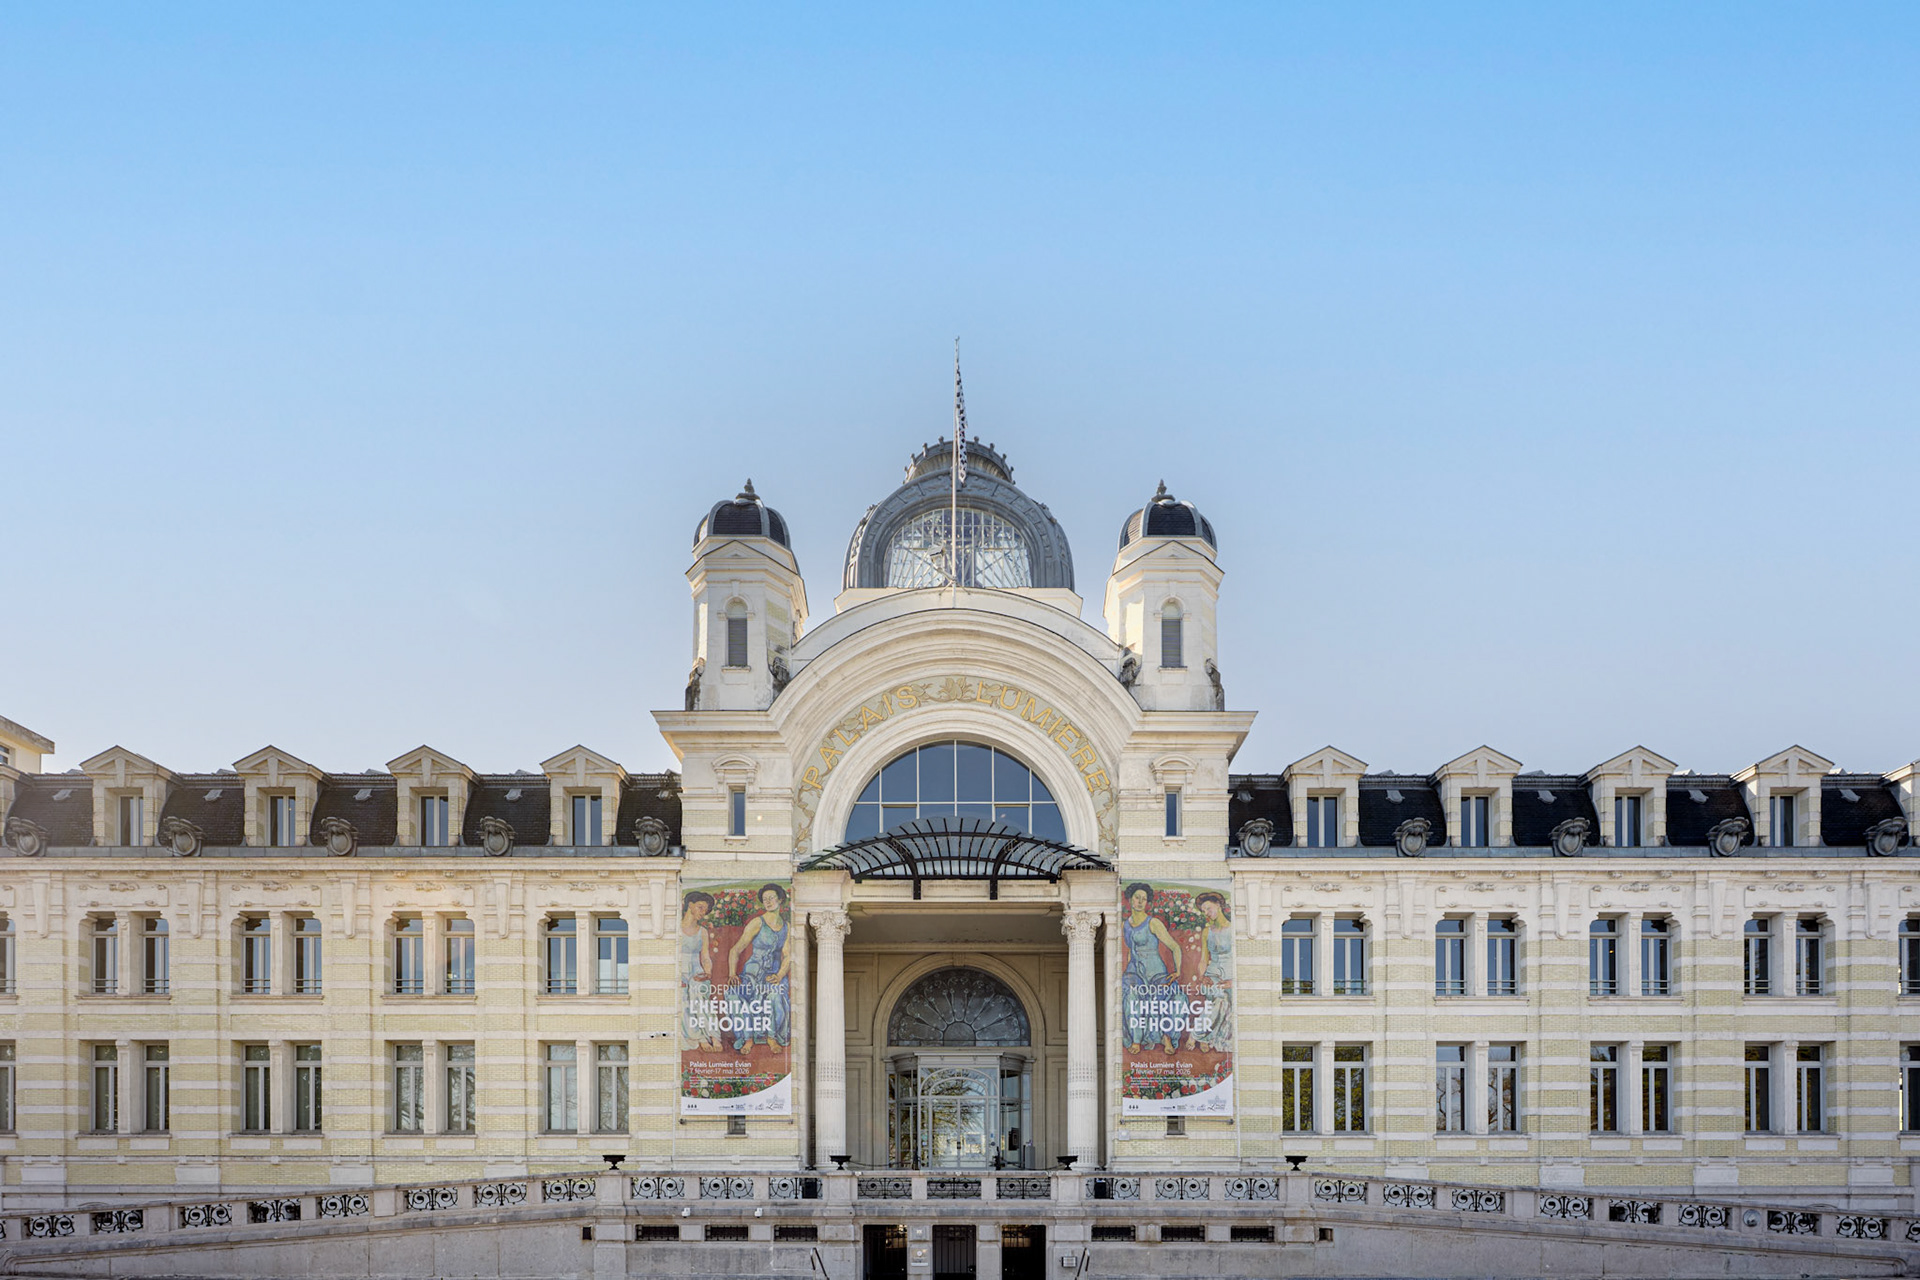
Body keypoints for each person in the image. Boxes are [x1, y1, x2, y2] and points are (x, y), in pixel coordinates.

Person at [727, 884, 792, 1050]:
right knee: (733, 995)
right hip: (752, 975)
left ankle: (771, 1037)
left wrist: (779, 975)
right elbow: (736, 950)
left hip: (773, 975)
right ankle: (747, 1037)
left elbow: (788, 955)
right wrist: (732, 973)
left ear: (780, 899)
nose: (768, 902)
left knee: (775, 996)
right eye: (765, 900)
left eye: (771, 898)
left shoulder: (786, 927)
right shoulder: (757, 923)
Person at [1120, 881, 1182, 1055]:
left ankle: (1165, 1036)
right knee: (1131, 997)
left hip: (1155, 972)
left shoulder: (1153, 923)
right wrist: (1127, 970)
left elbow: (1175, 947)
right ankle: (1136, 1039)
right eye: (1137, 898)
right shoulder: (1126, 924)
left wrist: (1178, 971)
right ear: (1130, 900)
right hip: (1135, 972)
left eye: (1144, 899)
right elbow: (1131, 950)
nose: (1140, 902)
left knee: (1158, 1000)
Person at [1186, 892, 1234, 1052]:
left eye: (1208, 908)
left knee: (1223, 999)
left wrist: (1232, 982)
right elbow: (1203, 959)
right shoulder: (1207, 931)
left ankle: (1198, 1034)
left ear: (1219, 905)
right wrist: (1202, 977)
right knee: (1219, 997)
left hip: (1230, 978)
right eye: (1203, 911)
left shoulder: (1233, 929)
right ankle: (1200, 1035)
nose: (1206, 913)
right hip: (1212, 976)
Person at [680, 891, 721, 1051]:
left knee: (700, 994)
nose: (702, 912)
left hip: (696, 969)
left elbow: (705, 957)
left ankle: (713, 1035)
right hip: (680, 970)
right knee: (683, 998)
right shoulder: (676, 929)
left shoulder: (702, 931)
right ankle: (699, 1036)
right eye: (700, 907)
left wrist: (708, 974)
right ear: (690, 905)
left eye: (705, 909)